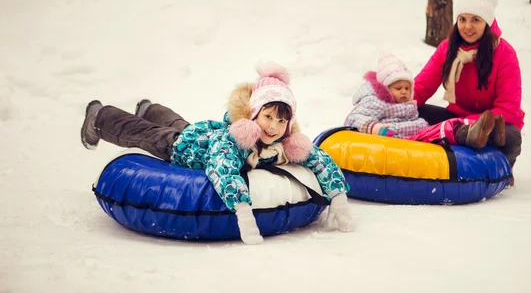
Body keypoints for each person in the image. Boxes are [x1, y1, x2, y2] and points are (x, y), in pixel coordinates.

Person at [80, 62, 355, 245]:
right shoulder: (237, 140)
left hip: (203, 134)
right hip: (185, 149)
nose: (274, 126)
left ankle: (149, 107)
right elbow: (221, 168)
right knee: (147, 133)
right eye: (268, 116)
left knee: (179, 124)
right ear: (254, 113)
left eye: (282, 121)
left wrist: (338, 198)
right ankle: (99, 117)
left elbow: (320, 159)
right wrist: (244, 213)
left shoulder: (285, 142)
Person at [414, 0, 525, 185]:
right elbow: (421, 86)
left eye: (475, 20)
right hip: (457, 119)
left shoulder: (504, 53)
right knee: (415, 112)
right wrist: (395, 106)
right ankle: (461, 137)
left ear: (487, 23)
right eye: (462, 19)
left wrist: (471, 123)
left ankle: (500, 169)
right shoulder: (448, 48)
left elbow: (508, 107)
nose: (467, 26)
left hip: (493, 123)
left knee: (512, 135)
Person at [344, 53, 505, 150]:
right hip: (398, 135)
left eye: (407, 88)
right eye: (398, 88)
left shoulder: (403, 104)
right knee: (441, 130)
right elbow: (354, 118)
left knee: (441, 126)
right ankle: (469, 133)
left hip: (413, 132)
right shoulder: (376, 102)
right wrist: (375, 128)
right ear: (386, 88)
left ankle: (481, 129)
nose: (404, 92)